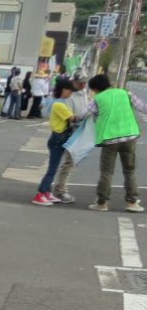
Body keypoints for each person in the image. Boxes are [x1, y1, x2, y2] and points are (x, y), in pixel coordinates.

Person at [85, 73, 144, 212]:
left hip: (109, 139)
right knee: (129, 171)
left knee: (107, 171)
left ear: (96, 89)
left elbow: (84, 114)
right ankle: (132, 202)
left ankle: (102, 203)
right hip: (130, 136)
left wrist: (73, 119)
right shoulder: (126, 93)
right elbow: (143, 107)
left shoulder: (97, 99)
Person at [50, 72, 92, 203]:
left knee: (71, 162)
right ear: (74, 82)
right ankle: (59, 190)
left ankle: (58, 188)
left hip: (78, 129)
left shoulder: (84, 93)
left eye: (85, 82)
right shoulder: (69, 96)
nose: (83, 85)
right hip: (69, 131)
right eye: (81, 82)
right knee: (68, 162)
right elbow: (71, 117)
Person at [32, 78, 76, 205]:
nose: (71, 93)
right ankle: (40, 193)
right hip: (58, 137)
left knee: (54, 168)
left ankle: (47, 192)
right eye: (69, 90)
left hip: (58, 137)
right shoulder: (59, 104)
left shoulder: (57, 102)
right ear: (64, 90)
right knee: (52, 169)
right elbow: (73, 118)